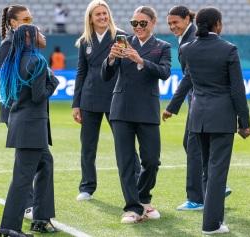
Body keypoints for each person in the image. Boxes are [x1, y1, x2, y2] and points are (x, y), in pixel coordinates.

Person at [176, 7, 250, 234]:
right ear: (217, 24)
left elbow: (188, 80)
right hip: (221, 118)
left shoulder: (187, 49)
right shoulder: (229, 49)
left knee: (208, 171)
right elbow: (237, 89)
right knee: (218, 172)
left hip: (197, 116)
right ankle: (211, 224)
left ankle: (216, 221)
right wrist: (244, 123)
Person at [102, 6, 171, 224]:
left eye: (143, 23)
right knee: (125, 161)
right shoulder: (122, 43)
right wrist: (111, 59)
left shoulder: (162, 47)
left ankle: (143, 198)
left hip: (148, 110)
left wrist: (140, 60)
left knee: (151, 160)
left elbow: (164, 73)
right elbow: (106, 75)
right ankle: (132, 207)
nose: (138, 27)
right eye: (134, 23)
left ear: (153, 23)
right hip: (121, 109)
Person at [163, 5, 232, 211]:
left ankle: (198, 198)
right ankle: (215, 185)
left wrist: (173, 106)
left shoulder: (193, 38)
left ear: (187, 19)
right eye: (169, 24)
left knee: (193, 147)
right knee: (195, 146)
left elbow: (189, 76)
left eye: (175, 22)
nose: (172, 27)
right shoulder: (187, 37)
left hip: (201, 102)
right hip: (200, 101)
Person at [72, 0, 140, 202]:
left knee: (125, 144)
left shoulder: (121, 37)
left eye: (105, 13)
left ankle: (136, 182)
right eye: (98, 14)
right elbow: (81, 72)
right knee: (88, 146)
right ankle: (87, 186)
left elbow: (128, 69)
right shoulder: (85, 41)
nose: (102, 17)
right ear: (90, 19)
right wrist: (76, 103)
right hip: (89, 98)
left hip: (116, 98)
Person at [0, 24, 59, 237]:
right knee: (22, 179)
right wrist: (54, 84)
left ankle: (41, 218)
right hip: (32, 127)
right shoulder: (38, 61)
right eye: (39, 32)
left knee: (46, 163)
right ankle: (9, 228)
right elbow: (38, 96)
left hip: (21, 124)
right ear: (28, 38)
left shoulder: (13, 61)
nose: (43, 35)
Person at [0, 4, 36, 220]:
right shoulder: (8, 45)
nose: (29, 24)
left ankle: (32, 204)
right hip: (17, 111)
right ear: (13, 23)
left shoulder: (27, 43)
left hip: (27, 111)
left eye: (30, 20)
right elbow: (11, 82)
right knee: (28, 160)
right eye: (25, 20)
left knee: (38, 159)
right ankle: (27, 205)